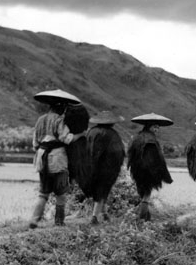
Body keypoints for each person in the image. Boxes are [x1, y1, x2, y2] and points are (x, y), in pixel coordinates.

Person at [29, 89, 86, 229]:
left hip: (42, 158)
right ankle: (59, 222)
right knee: (61, 192)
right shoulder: (59, 120)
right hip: (57, 159)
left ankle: (34, 220)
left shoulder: (40, 120)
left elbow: (35, 144)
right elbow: (66, 139)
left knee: (43, 193)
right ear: (60, 108)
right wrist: (81, 134)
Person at [127, 113, 174, 220]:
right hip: (148, 170)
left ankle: (144, 215)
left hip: (137, 169)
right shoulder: (151, 140)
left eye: (158, 127)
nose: (156, 129)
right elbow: (157, 159)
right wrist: (165, 175)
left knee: (142, 192)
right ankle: (143, 217)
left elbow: (131, 154)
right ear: (149, 127)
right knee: (147, 193)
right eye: (154, 127)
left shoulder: (137, 137)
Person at [85, 111, 126, 225]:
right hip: (107, 168)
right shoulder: (113, 134)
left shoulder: (91, 132)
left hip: (90, 165)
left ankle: (104, 213)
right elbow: (118, 153)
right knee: (103, 190)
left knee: (99, 190)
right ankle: (94, 217)